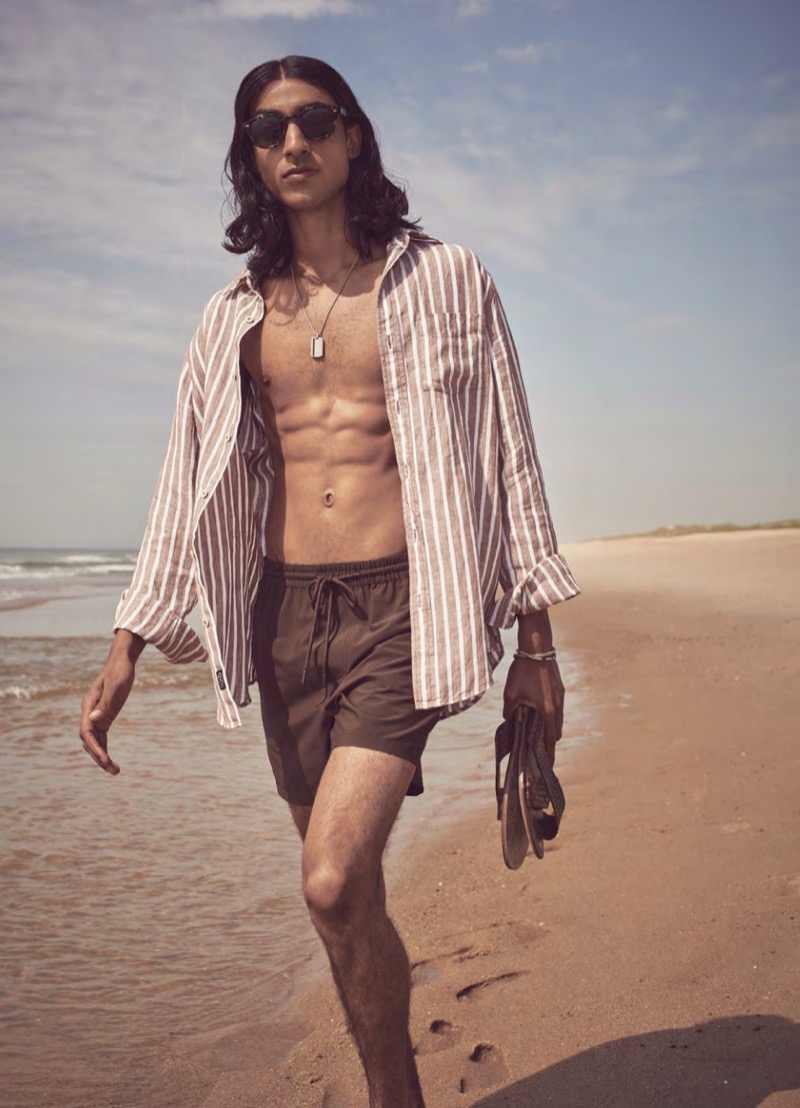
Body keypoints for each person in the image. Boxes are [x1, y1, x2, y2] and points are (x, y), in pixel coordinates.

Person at [79, 55, 579, 1108]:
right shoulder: (229, 318)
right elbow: (184, 479)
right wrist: (128, 641)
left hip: (405, 606)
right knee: (344, 900)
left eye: (314, 121)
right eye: (266, 130)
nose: (292, 143)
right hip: (283, 620)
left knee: (328, 874)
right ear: (247, 160)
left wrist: (534, 649)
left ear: (354, 138)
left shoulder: (445, 278)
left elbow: (507, 456)